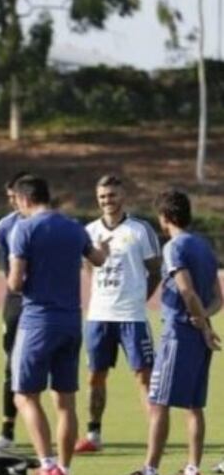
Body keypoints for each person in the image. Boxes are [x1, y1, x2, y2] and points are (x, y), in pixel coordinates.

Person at [8, 176, 109, 475]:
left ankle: (48, 466)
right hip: (71, 321)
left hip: (38, 321)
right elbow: (98, 260)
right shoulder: (73, 227)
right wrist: (103, 249)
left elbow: (14, 283)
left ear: (24, 199)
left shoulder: (24, 229)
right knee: (65, 400)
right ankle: (64, 471)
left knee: (24, 395)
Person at [116, 190, 221, 475]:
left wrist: (199, 323)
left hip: (178, 333)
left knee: (158, 401)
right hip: (198, 334)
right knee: (194, 405)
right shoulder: (204, 246)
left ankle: (149, 471)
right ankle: (192, 470)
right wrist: (204, 321)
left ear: (164, 217)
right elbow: (218, 298)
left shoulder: (174, 247)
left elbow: (186, 291)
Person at [77, 175, 161, 453]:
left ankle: (155, 433)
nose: (107, 201)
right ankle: (93, 434)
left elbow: (155, 271)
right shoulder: (89, 231)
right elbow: (88, 267)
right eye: (102, 196)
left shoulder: (140, 230)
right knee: (95, 376)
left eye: (112, 195)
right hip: (99, 316)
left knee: (144, 376)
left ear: (123, 196)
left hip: (132, 317)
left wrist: (139, 298)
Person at [0, 171, 31, 449]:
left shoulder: (49, 224)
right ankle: (7, 429)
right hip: (16, 301)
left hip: (46, 304)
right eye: (9, 197)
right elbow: (8, 269)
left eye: (15, 196)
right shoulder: (6, 226)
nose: (12, 202)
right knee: (12, 364)